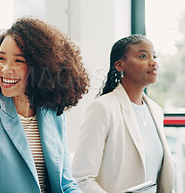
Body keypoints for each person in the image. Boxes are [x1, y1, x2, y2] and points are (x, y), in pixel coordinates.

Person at [0, 17, 89, 192]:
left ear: (41, 67)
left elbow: (66, 184)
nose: (5, 69)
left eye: (18, 61)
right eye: (1, 58)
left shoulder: (54, 114)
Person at [72, 34, 174, 193]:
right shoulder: (102, 108)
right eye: (143, 56)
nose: (153, 62)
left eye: (154, 56)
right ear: (120, 66)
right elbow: (82, 178)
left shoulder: (155, 110)